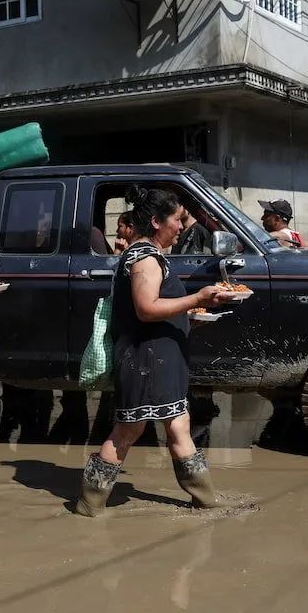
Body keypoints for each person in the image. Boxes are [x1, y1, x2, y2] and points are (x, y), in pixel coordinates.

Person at [74, 187, 235, 517]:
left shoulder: (148, 255)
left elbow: (154, 307)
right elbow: (146, 308)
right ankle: (89, 504)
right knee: (128, 431)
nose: (180, 226)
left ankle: (206, 501)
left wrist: (190, 315)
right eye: (176, 220)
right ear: (155, 221)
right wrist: (197, 298)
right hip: (145, 358)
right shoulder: (144, 258)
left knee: (178, 424)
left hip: (157, 357)